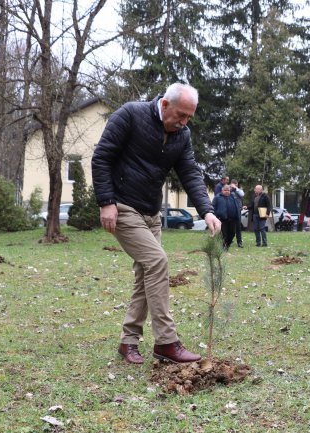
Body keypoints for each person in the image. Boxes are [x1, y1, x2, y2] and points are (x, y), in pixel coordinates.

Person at [91, 83, 222, 365]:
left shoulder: (181, 135)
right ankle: (166, 342)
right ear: (164, 105)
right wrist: (106, 202)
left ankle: (128, 342)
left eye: (189, 117)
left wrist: (207, 211)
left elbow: (190, 173)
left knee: (145, 274)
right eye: (181, 115)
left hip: (151, 214)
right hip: (123, 206)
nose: (184, 122)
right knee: (157, 262)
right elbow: (102, 157)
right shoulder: (130, 115)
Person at [212, 185, 240, 250]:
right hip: (222, 220)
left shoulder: (233, 197)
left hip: (232, 220)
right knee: (224, 235)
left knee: (232, 234)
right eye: (225, 190)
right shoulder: (217, 197)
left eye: (228, 190)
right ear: (222, 191)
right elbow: (213, 207)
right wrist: (215, 217)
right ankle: (224, 248)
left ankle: (227, 246)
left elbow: (237, 206)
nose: (227, 192)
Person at [229, 179, 245, 247]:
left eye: (236, 184)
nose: (234, 186)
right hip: (230, 210)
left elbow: (242, 195)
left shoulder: (239, 190)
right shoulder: (228, 189)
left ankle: (239, 242)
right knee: (229, 226)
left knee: (238, 227)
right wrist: (230, 188)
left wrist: (236, 188)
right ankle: (228, 241)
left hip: (238, 210)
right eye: (233, 184)